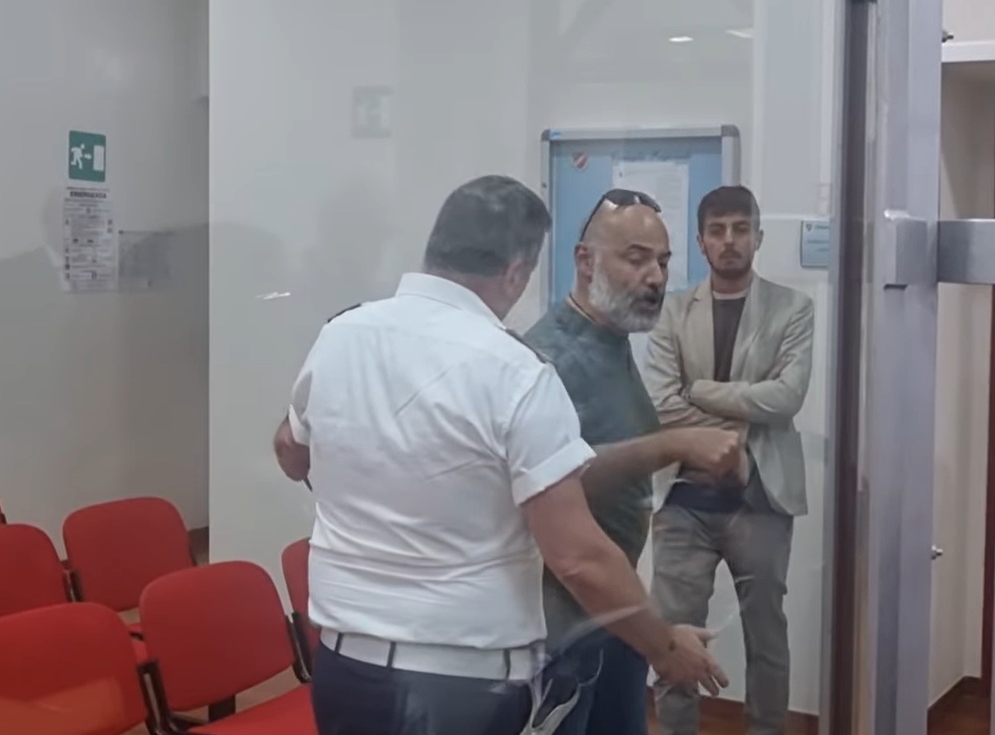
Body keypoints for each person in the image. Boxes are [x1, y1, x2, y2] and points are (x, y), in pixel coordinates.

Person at [271, 175, 727, 735]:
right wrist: (665, 647)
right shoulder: (514, 370)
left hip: (345, 667)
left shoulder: (342, 334)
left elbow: (290, 449)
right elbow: (578, 558)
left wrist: (370, 480)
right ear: (516, 271)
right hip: (459, 684)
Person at [525, 189, 743, 735]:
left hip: (612, 614)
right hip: (562, 629)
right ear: (585, 261)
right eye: (637, 258)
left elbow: (605, 442)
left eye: (663, 262)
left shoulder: (611, 339)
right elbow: (553, 480)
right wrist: (673, 446)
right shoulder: (545, 360)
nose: (655, 277)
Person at [643, 185, 814, 735]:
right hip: (682, 500)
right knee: (673, 638)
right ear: (700, 242)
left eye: (741, 229)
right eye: (717, 231)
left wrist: (700, 391)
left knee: (767, 639)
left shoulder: (793, 308)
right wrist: (740, 415)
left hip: (759, 496)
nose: (729, 240)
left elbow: (787, 398)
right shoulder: (672, 311)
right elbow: (660, 405)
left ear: (758, 237)